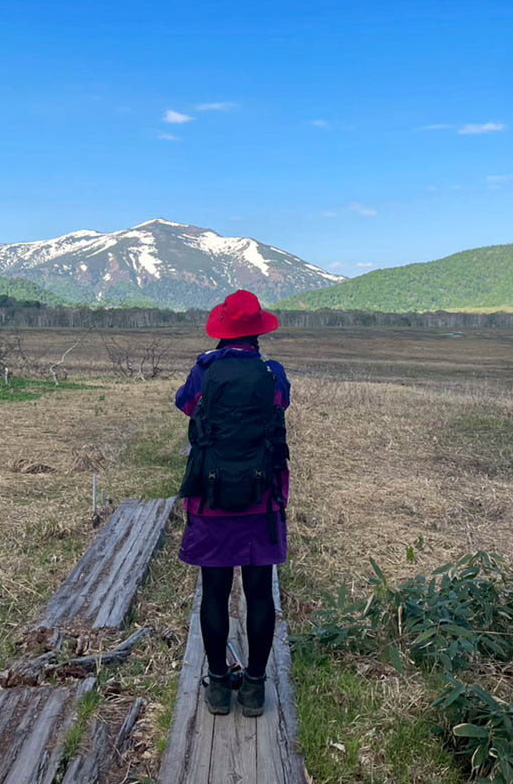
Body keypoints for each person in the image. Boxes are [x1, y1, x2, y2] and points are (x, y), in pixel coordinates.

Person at [175, 289, 291, 717]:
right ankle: (255, 687)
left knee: (214, 592)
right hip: (262, 499)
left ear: (222, 330)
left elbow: (186, 404)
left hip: (212, 497)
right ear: (258, 331)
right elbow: (281, 404)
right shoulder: (272, 373)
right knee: (260, 594)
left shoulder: (204, 370)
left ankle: (219, 686)